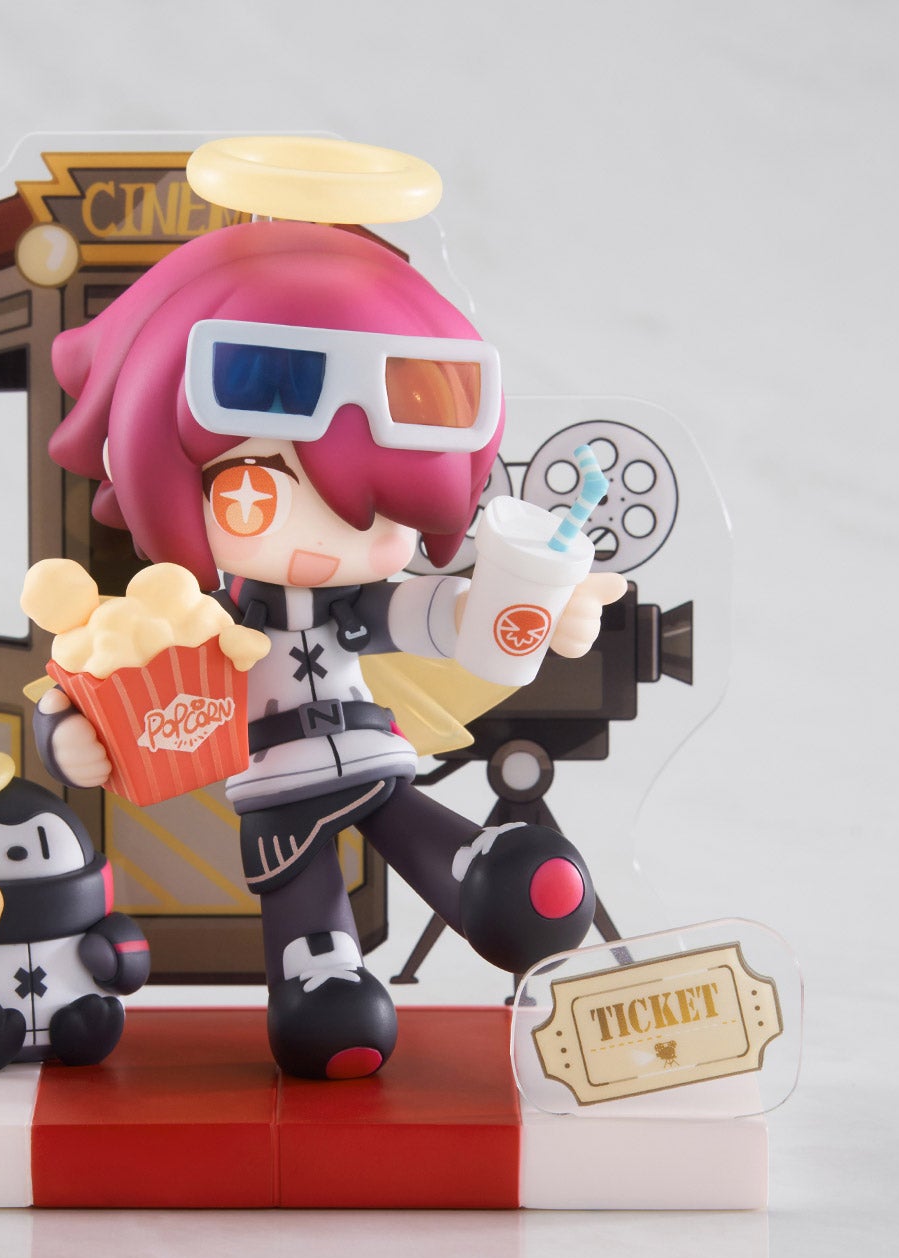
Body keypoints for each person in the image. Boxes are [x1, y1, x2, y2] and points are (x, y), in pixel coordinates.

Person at [32, 220, 622, 1080]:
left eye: (374, 511)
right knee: (306, 906)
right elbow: (102, 686)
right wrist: (69, 734)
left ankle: (485, 875)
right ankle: (322, 978)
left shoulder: (353, 604)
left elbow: (438, 615)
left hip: (374, 753)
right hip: (275, 785)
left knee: (418, 827)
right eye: (261, 488)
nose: (322, 535)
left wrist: (539, 612)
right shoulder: (191, 620)